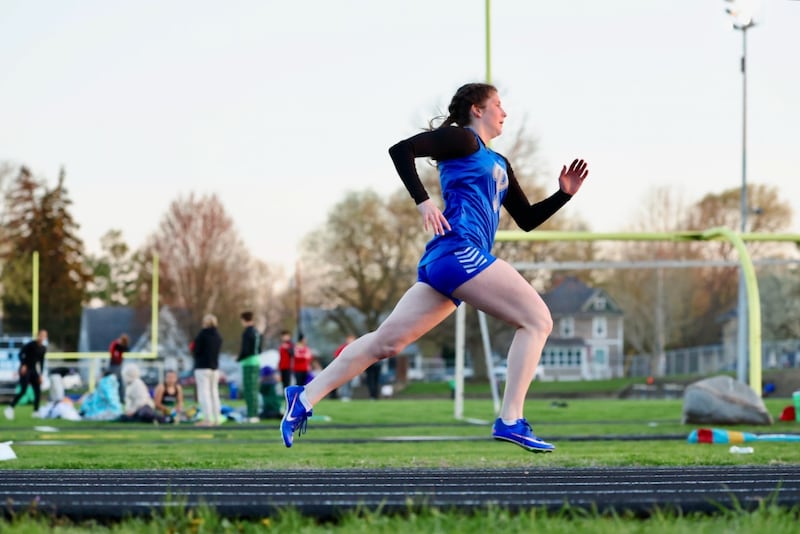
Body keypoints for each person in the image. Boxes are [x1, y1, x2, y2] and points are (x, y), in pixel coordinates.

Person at [281, 82, 588, 452]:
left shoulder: (500, 162)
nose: (504, 113)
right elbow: (401, 151)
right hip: (461, 250)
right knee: (538, 320)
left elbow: (525, 218)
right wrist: (424, 202)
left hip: (448, 261)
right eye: (498, 105)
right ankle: (510, 419)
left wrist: (563, 195)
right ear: (477, 109)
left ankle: (305, 396)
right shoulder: (462, 140)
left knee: (386, 343)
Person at [4, 329, 48, 421]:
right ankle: (10, 408)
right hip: (25, 369)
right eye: (41, 335)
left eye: (44, 335)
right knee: (23, 390)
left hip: (33, 370)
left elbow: (41, 362)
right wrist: (23, 364)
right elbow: (20, 354)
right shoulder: (31, 345)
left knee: (37, 390)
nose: (42, 337)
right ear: (38, 335)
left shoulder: (43, 348)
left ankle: (36, 411)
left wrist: (40, 374)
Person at [192, 313, 223, 426]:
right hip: (214, 368)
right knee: (214, 393)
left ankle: (207, 419)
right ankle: (217, 418)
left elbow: (196, 350)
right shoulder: (218, 336)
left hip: (202, 367)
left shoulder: (202, 335)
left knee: (204, 393)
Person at [238, 311, 262, 422]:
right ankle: (254, 413)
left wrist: (239, 358)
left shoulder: (247, 332)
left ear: (244, 320)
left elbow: (246, 349)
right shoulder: (257, 332)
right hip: (256, 361)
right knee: (254, 388)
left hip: (248, 363)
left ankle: (251, 414)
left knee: (249, 389)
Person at [330, 334, 355, 400]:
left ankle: (348, 395)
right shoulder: (343, 348)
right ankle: (344, 395)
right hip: (343, 368)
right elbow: (336, 356)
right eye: (350, 340)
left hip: (352, 368)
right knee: (344, 382)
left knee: (349, 383)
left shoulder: (355, 348)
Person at [108, 333, 129, 403]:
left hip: (118, 365)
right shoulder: (116, 344)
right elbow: (112, 352)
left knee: (119, 382)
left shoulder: (121, 346)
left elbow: (126, 349)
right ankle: (113, 398)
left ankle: (121, 398)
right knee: (113, 382)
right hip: (114, 365)